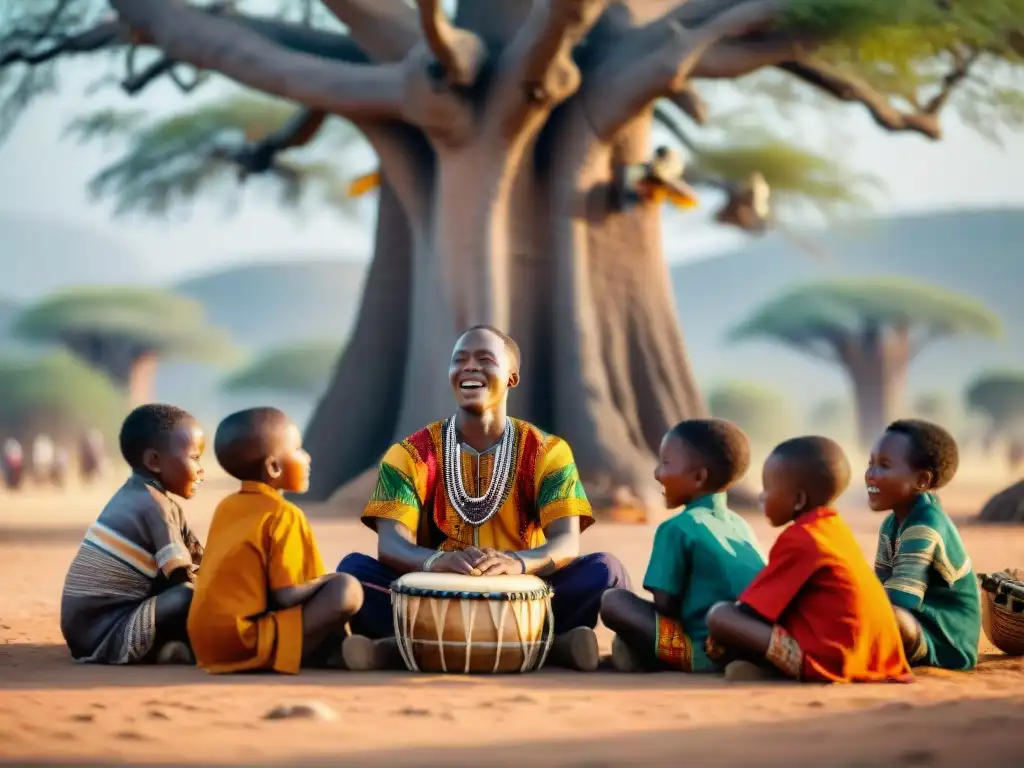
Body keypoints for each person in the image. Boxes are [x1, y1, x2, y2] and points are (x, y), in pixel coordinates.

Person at [337, 325, 630, 672]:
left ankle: (393, 651)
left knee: (604, 571)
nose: (469, 367)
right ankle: (555, 649)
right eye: (459, 360)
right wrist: (435, 563)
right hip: (431, 596)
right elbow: (391, 545)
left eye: (484, 359)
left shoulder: (549, 452)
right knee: (353, 572)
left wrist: (516, 564)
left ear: (512, 378)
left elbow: (566, 542)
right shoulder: (409, 454)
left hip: (524, 597)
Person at [706, 436, 912, 683]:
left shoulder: (801, 538)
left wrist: (719, 640)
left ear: (798, 500)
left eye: (768, 489)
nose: (762, 497)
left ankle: (761, 666)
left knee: (720, 615)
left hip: (830, 661)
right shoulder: (834, 528)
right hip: (873, 657)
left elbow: (752, 612)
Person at [188, 407, 363, 674]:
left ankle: (333, 651)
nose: (307, 458)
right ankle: (307, 654)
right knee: (346, 589)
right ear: (273, 466)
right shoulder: (283, 513)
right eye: (298, 450)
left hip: (206, 644)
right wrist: (328, 580)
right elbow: (287, 595)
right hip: (246, 640)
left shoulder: (227, 506)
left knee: (324, 589)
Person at [599, 419, 766, 673]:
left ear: (699, 477)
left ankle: (667, 658)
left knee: (614, 601)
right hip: (747, 643)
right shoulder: (740, 526)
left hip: (703, 649)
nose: (657, 473)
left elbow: (666, 605)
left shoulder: (677, 528)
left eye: (665, 464)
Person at [60, 404, 206, 665]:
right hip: (106, 631)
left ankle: (167, 647)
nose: (201, 470)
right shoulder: (156, 506)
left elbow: (199, 559)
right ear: (154, 461)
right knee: (187, 595)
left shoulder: (137, 494)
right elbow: (180, 575)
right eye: (195, 457)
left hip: (83, 631)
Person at [867, 419, 980, 671]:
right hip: (914, 618)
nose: (870, 475)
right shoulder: (892, 522)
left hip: (945, 639)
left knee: (888, 617)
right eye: (870, 464)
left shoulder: (926, 525)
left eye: (883, 466)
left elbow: (901, 599)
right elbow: (882, 581)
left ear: (921, 480)